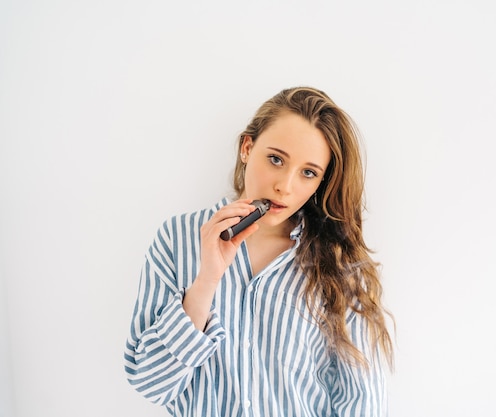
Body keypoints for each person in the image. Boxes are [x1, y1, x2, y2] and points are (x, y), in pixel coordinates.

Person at [124, 86, 394, 416]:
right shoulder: (176, 239)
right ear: (247, 147)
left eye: (308, 173)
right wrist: (206, 281)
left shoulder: (340, 264)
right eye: (276, 159)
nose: (285, 185)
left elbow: (362, 401)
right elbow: (150, 382)